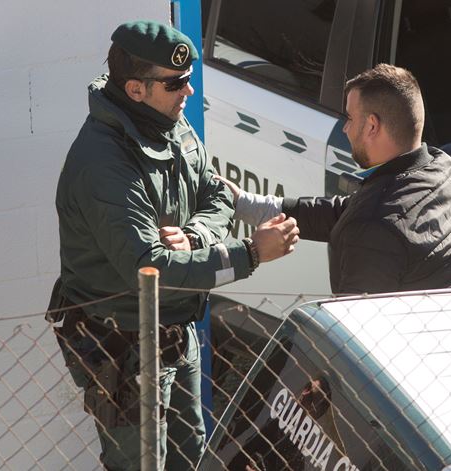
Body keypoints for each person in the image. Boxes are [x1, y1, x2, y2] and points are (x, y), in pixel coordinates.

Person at [52, 20, 299, 470]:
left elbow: (218, 192)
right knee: (141, 463)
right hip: (124, 344)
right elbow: (151, 268)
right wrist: (251, 254)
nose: (188, 92)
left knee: (189, 454)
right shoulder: (103, 162)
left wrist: (197, 237)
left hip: (176, 330)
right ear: (135, 89)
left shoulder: (172, 122)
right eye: (176, 84)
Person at [219, 63, 451, 295]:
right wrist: (242, 201)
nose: (346, 129)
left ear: (372, 126)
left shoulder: (374, 229)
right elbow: (347, 211)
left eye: (350, 118)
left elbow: (351, 341)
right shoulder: (443, 169)